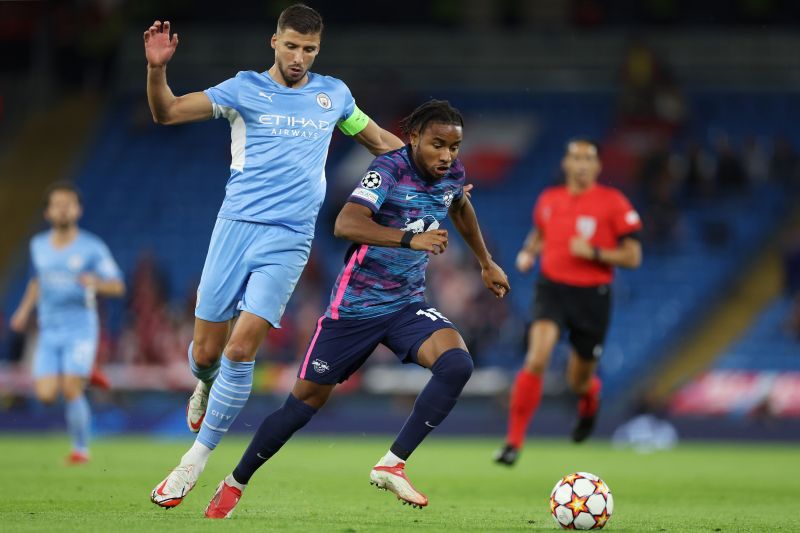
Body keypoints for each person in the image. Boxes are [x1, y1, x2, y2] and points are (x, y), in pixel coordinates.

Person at [144, 4, 406, 508]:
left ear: (318, 49)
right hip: (234, 229)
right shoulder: (243, 88)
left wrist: (429, 172)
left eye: (308, 49)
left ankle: (191, 462)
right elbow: (167, 112)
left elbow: (380, 143)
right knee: (205, 353)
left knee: (242, 349)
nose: (299, 57)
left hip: (290, 239)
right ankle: (204, 384)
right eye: (291, 46)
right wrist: (157, 69)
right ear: (274, 42)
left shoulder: (334, 95)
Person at [201, 99, 510, 519]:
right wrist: (408, 239)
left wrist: (485, 261)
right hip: (354, 310)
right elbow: (345, 223)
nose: (447, 156)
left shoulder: (450, 173)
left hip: (405, 305)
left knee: (456, 364)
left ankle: (392, 463)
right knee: (302, 405)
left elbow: (458, 203)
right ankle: (234, 482)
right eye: (438, 145)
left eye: (454, 148)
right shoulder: (387, 170)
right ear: (414, 137)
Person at [494, 139, 643, 466]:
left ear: (597, 166)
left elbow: (634, 256)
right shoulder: (549, 199)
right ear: (566, 163)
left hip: (592, 296)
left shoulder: (613, 202)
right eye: (575, 157)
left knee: (579, 379)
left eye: (588, 158)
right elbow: (540, 232)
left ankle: (590, 400)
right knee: (536, 359)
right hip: (552, 289)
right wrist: (528, 252)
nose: (581, 163)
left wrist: (595, 253)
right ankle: (513, 443)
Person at [9, 182, 125, 464]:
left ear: (79, 209)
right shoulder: (38, 246)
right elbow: (37, 282)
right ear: (48, 212)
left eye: (68, 204)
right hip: (49, 330)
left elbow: (118, 286)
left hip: (80, 329)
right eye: (56, 205)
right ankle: (86, 370)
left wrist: (95, 283)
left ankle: (80, 450)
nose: (63, 209)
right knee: (46, 395)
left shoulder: (92, 247)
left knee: (71, 389)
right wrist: (23, 311)